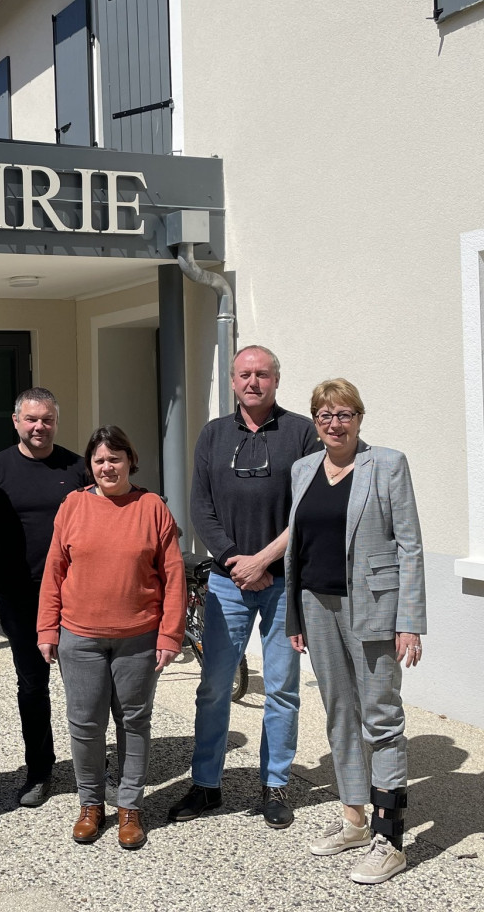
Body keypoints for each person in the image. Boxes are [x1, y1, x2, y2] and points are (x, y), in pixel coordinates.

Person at [170, 345, 321, 830]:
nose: (253, 382)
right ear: (233, 382)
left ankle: (275, 785)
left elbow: (310, 509)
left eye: (262, 374)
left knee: (281, 689)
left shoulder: (302, 433)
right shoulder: (214, 434)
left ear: (277, 379)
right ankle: (206, 784)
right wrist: (235, 560)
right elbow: (200, 506)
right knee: (214, 686)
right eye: (244, 374)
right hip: (227, 582)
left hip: (282, 582)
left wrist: (264, 561)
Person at [286, 378, 425, 885]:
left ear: (359, 418)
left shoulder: (386, 464)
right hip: (315, 605)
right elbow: (298, 548)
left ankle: (390, 841)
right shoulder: (302, 470)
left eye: (343, 414)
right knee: (339, 714)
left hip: (374, 610)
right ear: (315, 421)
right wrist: (294, 617)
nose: (333, 423)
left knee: (381, 718)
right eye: (324, 415)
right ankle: (354, 820)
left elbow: (409, 545)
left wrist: (409, 621)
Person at [37, 425, 185, 850]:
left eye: (114, 459)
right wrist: (47, 628)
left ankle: (130, 807)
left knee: (134, 722)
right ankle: (90, 804)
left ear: (129, 462)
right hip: (79, 636)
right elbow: (54, 571)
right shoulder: (73, 505)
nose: (107, 467)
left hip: (138, 636)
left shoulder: (152, 506)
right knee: (85, 725)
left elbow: (174, 576)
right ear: (91, 466)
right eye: (99, 460)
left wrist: (170, 635)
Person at [0, 387, 86, 807]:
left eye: (46, 419)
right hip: (20, 596)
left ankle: (91, 771)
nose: (38, 426)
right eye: (30, 419)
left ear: (55, 422)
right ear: (16, 422)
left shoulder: (78, 468)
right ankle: (39, 771)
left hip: (76, 597)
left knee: (86, 688)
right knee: (32, 685)